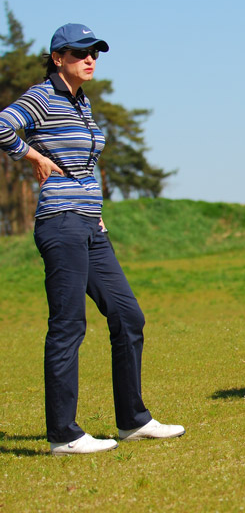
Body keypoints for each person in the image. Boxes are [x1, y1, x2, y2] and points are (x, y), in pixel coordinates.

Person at [0, 23, 184, 455]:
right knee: (68, 325)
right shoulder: (43, 96)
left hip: (89, 227)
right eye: (80, 52)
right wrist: (32, 155)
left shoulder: (81, 103)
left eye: (95, 53)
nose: (90, 60)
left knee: (128, 316)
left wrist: (96, 216)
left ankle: (133, 421)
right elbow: (3, 124)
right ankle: (62, 434)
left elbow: (83, 165)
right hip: (61, 224)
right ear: (57, 57)